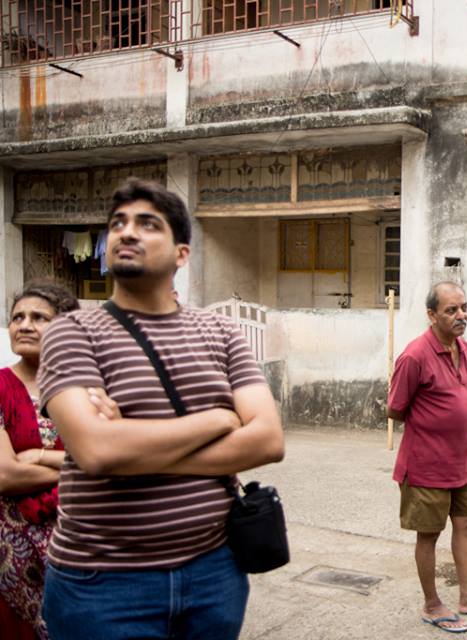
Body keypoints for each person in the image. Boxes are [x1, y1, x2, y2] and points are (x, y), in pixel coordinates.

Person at [37, 178, 284, 640]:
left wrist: (131, 442)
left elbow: (268, 440)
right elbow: (98, 452)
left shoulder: (222, 333)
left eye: (148, 224)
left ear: (181, 254)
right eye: (118, 223)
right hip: (102, 584)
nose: (127, 232)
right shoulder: (71, 332)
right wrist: (219, 420)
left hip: (215, 572)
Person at [387, 281, 467, 634]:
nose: (461, 316)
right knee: (428, 534)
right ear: (432, 315)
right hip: (425, 464)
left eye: (464, 308)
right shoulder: (414, 356)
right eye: (451, 310)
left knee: (465, 524)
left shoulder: (464, 348)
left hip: (459, 462)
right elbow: (395, 408)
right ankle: (432, 604)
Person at [0, 282, 78, 640]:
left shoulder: (87, 392)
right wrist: (81, 466)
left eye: (38, 317)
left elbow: (117, 461)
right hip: (10, 555)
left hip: (80, 547)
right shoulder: (1, 386)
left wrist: (42, 456)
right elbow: (5, 475)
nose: (25, 325)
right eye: (17, 317)